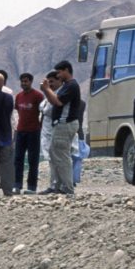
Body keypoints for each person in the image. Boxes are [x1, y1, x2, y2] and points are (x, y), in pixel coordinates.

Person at [39, 60, 81, 195]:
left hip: (64, 123)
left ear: (66, 70)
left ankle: (67, 188)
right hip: (61, 124)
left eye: (59, 72)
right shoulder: (68, 86)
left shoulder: (71, 86)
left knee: (62, 156)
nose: (58, 75)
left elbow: (57, 101)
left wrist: (46, 90)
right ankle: (57, 186)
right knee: (54, 153)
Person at [13, 73, 45, 194]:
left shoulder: (38, 96)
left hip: (33, 132)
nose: (23, 83)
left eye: (26, 81)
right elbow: (17, 111)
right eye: (22, 81)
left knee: (33, 160)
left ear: (31, 82)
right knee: (18, 159)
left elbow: (43, 112)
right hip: (21, 131)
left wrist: (39, 126)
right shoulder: (19, 96)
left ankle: (32, 186)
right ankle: (17, 185)